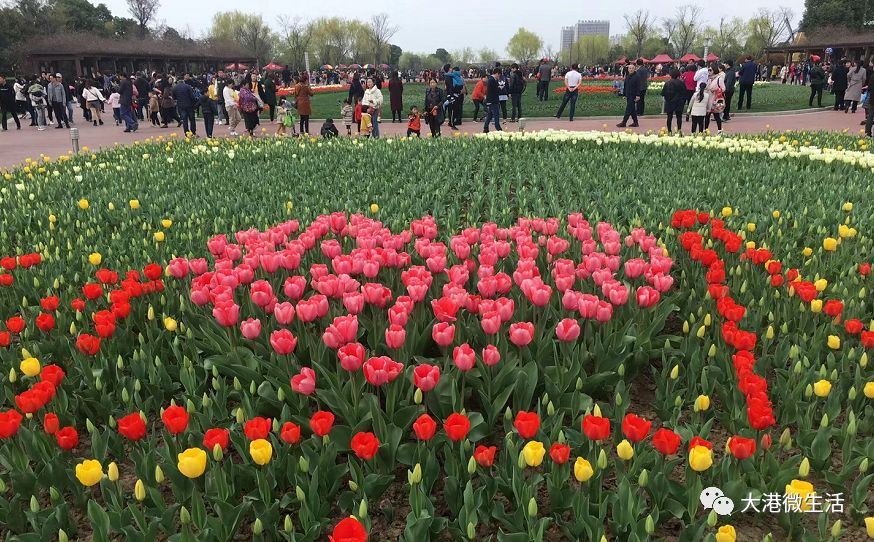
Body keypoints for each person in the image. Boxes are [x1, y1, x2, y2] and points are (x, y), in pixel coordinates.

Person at [661, 69, 686, 134]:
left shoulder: (667, 83)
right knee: (679, 117)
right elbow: (684, 93)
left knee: (669, 117)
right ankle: (679, 130)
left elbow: (663, 93)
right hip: (679, 102)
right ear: (678, 75)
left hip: (669, 102)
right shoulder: (681, 83)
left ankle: (669, 131)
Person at [617, 63, 641, 128]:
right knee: (632, 109)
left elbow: (638, 87)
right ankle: (635, 122)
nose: (631, 69)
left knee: (628, 109)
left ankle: (624, 122)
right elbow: (625, 86)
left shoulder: (637, 76)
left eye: (632, 68)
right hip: (628, 94)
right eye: (630, 68)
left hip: (633, 95)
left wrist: (638, 95)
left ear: (635, 69)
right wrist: (624, 94)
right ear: (628, 69)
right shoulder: (627, 76)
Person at [705, 64, 725, 134]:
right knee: (707, 116)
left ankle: (719, 130)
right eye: (708, 70)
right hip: (708, 99)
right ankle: (706, 130)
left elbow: (723, 89)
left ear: (714, 70)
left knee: (716, 116)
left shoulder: (719, 78)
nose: (709, 71)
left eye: (710, 70)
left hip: (715, 100)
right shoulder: (709, 79)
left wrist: (715, 90)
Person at [483, 67, 503, 133]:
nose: (499, 77)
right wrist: (500, 88)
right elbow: (494, 90)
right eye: (499, 75)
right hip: (493, 100)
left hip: (492, 100)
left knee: (490, 115)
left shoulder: (493, 79)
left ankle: (485, 128)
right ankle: (498, 128)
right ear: (497, 73)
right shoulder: (491, 80)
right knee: (496, 114)